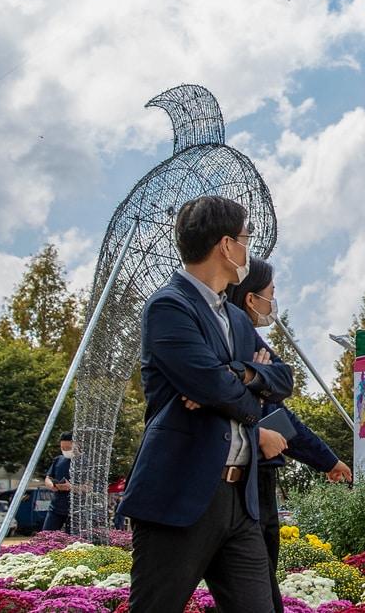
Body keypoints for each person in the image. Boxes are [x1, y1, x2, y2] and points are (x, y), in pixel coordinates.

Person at [118, 196, 295, 613]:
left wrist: (240, 374)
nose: (248, 249)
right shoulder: (169, 307)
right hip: (180, 495)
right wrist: (243, 384)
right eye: (246, 238)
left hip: (240, 499)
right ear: (226, 245)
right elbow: (214, 387)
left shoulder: (234, 317)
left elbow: (283, 379)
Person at [225, 258, 353, 613]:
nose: (273, 302)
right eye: (271, 293)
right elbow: (271, 410)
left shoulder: (246, 340)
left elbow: (280, 412)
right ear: (251, 299)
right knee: (256, 580)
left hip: (255, 477)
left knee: (255, 581)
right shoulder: (241, 343)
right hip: (243, 477)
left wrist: (326, 460)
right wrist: (257, 383)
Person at [42, 433, 75, 532]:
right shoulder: (58, 460)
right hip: (56, 506)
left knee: (73, 540)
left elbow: (89, 487)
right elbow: (48, 478)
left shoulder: (84, 462)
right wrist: (52, 485)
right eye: (62, 448)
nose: (65, 450)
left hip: (76, 509)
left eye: (68, 448)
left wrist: (71, 487)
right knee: (46, 535)